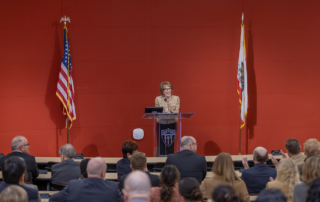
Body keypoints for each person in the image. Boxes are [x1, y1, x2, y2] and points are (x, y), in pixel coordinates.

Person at [49, 157, 123, 202]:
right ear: (102, 173)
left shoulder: (73, 185)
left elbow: (53, 199)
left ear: (87, 170)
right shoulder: (113, 188)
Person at [155, 81, 180, 156]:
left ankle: (170, 161)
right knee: (161, 144)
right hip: (161, 123)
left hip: (172, 123)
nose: (168, 91)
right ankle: (160, 163)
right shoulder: (158, 99)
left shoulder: (176, 98)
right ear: (162, 91)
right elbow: (156, 111)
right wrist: (163, 111)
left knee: (170, 144)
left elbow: (177, 111)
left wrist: (171, 111)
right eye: (165, 89)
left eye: (169, 88)